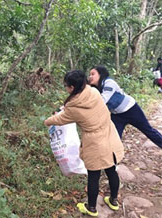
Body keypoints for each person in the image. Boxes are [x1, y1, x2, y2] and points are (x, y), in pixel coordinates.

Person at [44, 70, 124, 217]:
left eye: (66, 85)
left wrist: (47, 121)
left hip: (95, 142)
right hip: (109, 134)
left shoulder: (73, 108)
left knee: (93, 175)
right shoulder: (93, 92)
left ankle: (91, 208)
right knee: (111, 170)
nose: (65, 88)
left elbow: (60, 119)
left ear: (72, 87)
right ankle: (113, 201)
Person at [89, 65, 162, 149]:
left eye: (93, 74)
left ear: (100, 74)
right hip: (117, 115)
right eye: (89, 75)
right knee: (114, 138)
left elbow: (102, 100)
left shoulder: (109, 83)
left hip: (131, 110)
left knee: (148, 131)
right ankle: (113, 160)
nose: (90, 77)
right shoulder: (95, 89)